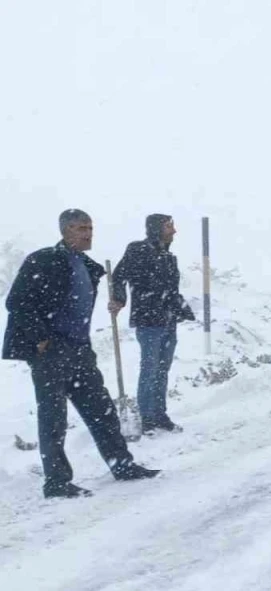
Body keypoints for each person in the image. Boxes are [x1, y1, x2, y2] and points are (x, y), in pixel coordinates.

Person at [2, 210, 161, 499]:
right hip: (51, 352)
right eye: (80, 228)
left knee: (102, 411)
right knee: (53, 419)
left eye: (90, 227)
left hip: (79, 351)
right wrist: (39, 338)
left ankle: (122, 465)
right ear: (65, 231)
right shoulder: (44, 259)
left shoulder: (87, 266)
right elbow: (16, 301)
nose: (87, 233)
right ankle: (57, 482)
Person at [109, 213, 196, 434]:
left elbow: (170, 291)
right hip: (148, 321)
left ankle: (159, 414)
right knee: (149, 369)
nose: (174, 231)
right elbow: (119, 276)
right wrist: (119, 299)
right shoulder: (137, 250)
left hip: (168, 321)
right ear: (156, 228)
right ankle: (147, 417)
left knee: (162, 370)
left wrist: (181, 309)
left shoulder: (169, 258)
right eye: (169, 227)